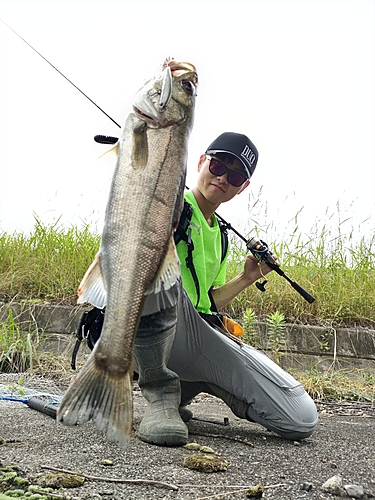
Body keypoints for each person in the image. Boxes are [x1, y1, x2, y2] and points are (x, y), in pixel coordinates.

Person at [133, 132, 319, 446]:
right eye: (217, 166)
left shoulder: (219, 235)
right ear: (201, 162)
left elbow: (205, 303)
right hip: (139, 329)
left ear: (243, 187)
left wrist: (247, 277)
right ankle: (161, 395)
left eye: (234, 176)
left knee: (301, 416)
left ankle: (194, 384)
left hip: (190, 334)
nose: (223, 178)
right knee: (157, 269)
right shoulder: (173, 205)